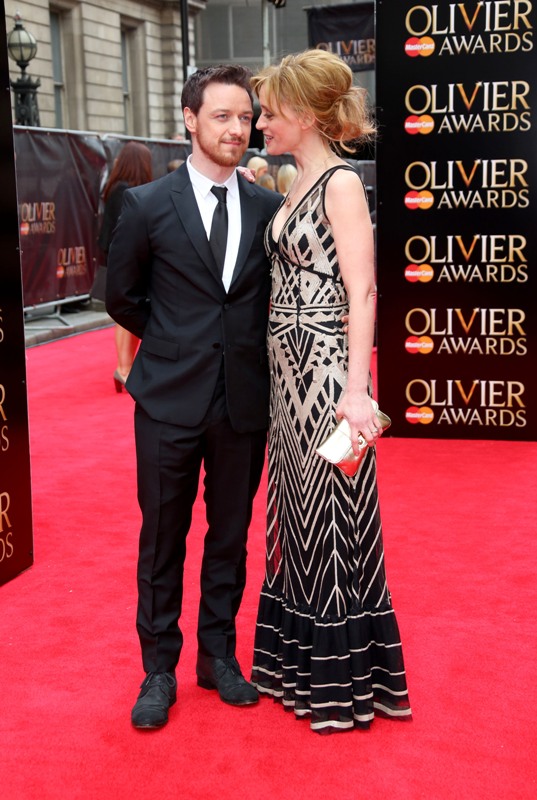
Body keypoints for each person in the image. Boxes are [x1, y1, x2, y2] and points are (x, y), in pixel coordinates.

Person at [105, 65, 281, 730]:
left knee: (230, 537)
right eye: (221, 117)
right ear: (189, 118)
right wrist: (176, 342)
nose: (237, 130)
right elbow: (121, 296)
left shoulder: (267, 209)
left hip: (243, 404)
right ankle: (158, 669)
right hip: (167, 402)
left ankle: (218, 657)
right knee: (162, 539)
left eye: (245, 118)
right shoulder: (147, 204)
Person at [250, 49, 412, 734]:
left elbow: (362, 291)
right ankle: (299, 670)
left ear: (305, 114)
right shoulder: (294, 181)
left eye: (269, 112)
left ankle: (340, 684)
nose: (260, 123)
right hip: (285, 376)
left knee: (332, 511)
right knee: (294, 508)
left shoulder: (340, 183)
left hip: (323, 373)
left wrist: (355, 388)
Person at [98, 141, 153, 392]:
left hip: (124, 257)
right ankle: (123, 368)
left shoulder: (121, 189)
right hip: (122, 260)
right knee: (124, 313)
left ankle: (126, 366)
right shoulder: (123, 191)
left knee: (130, 310)